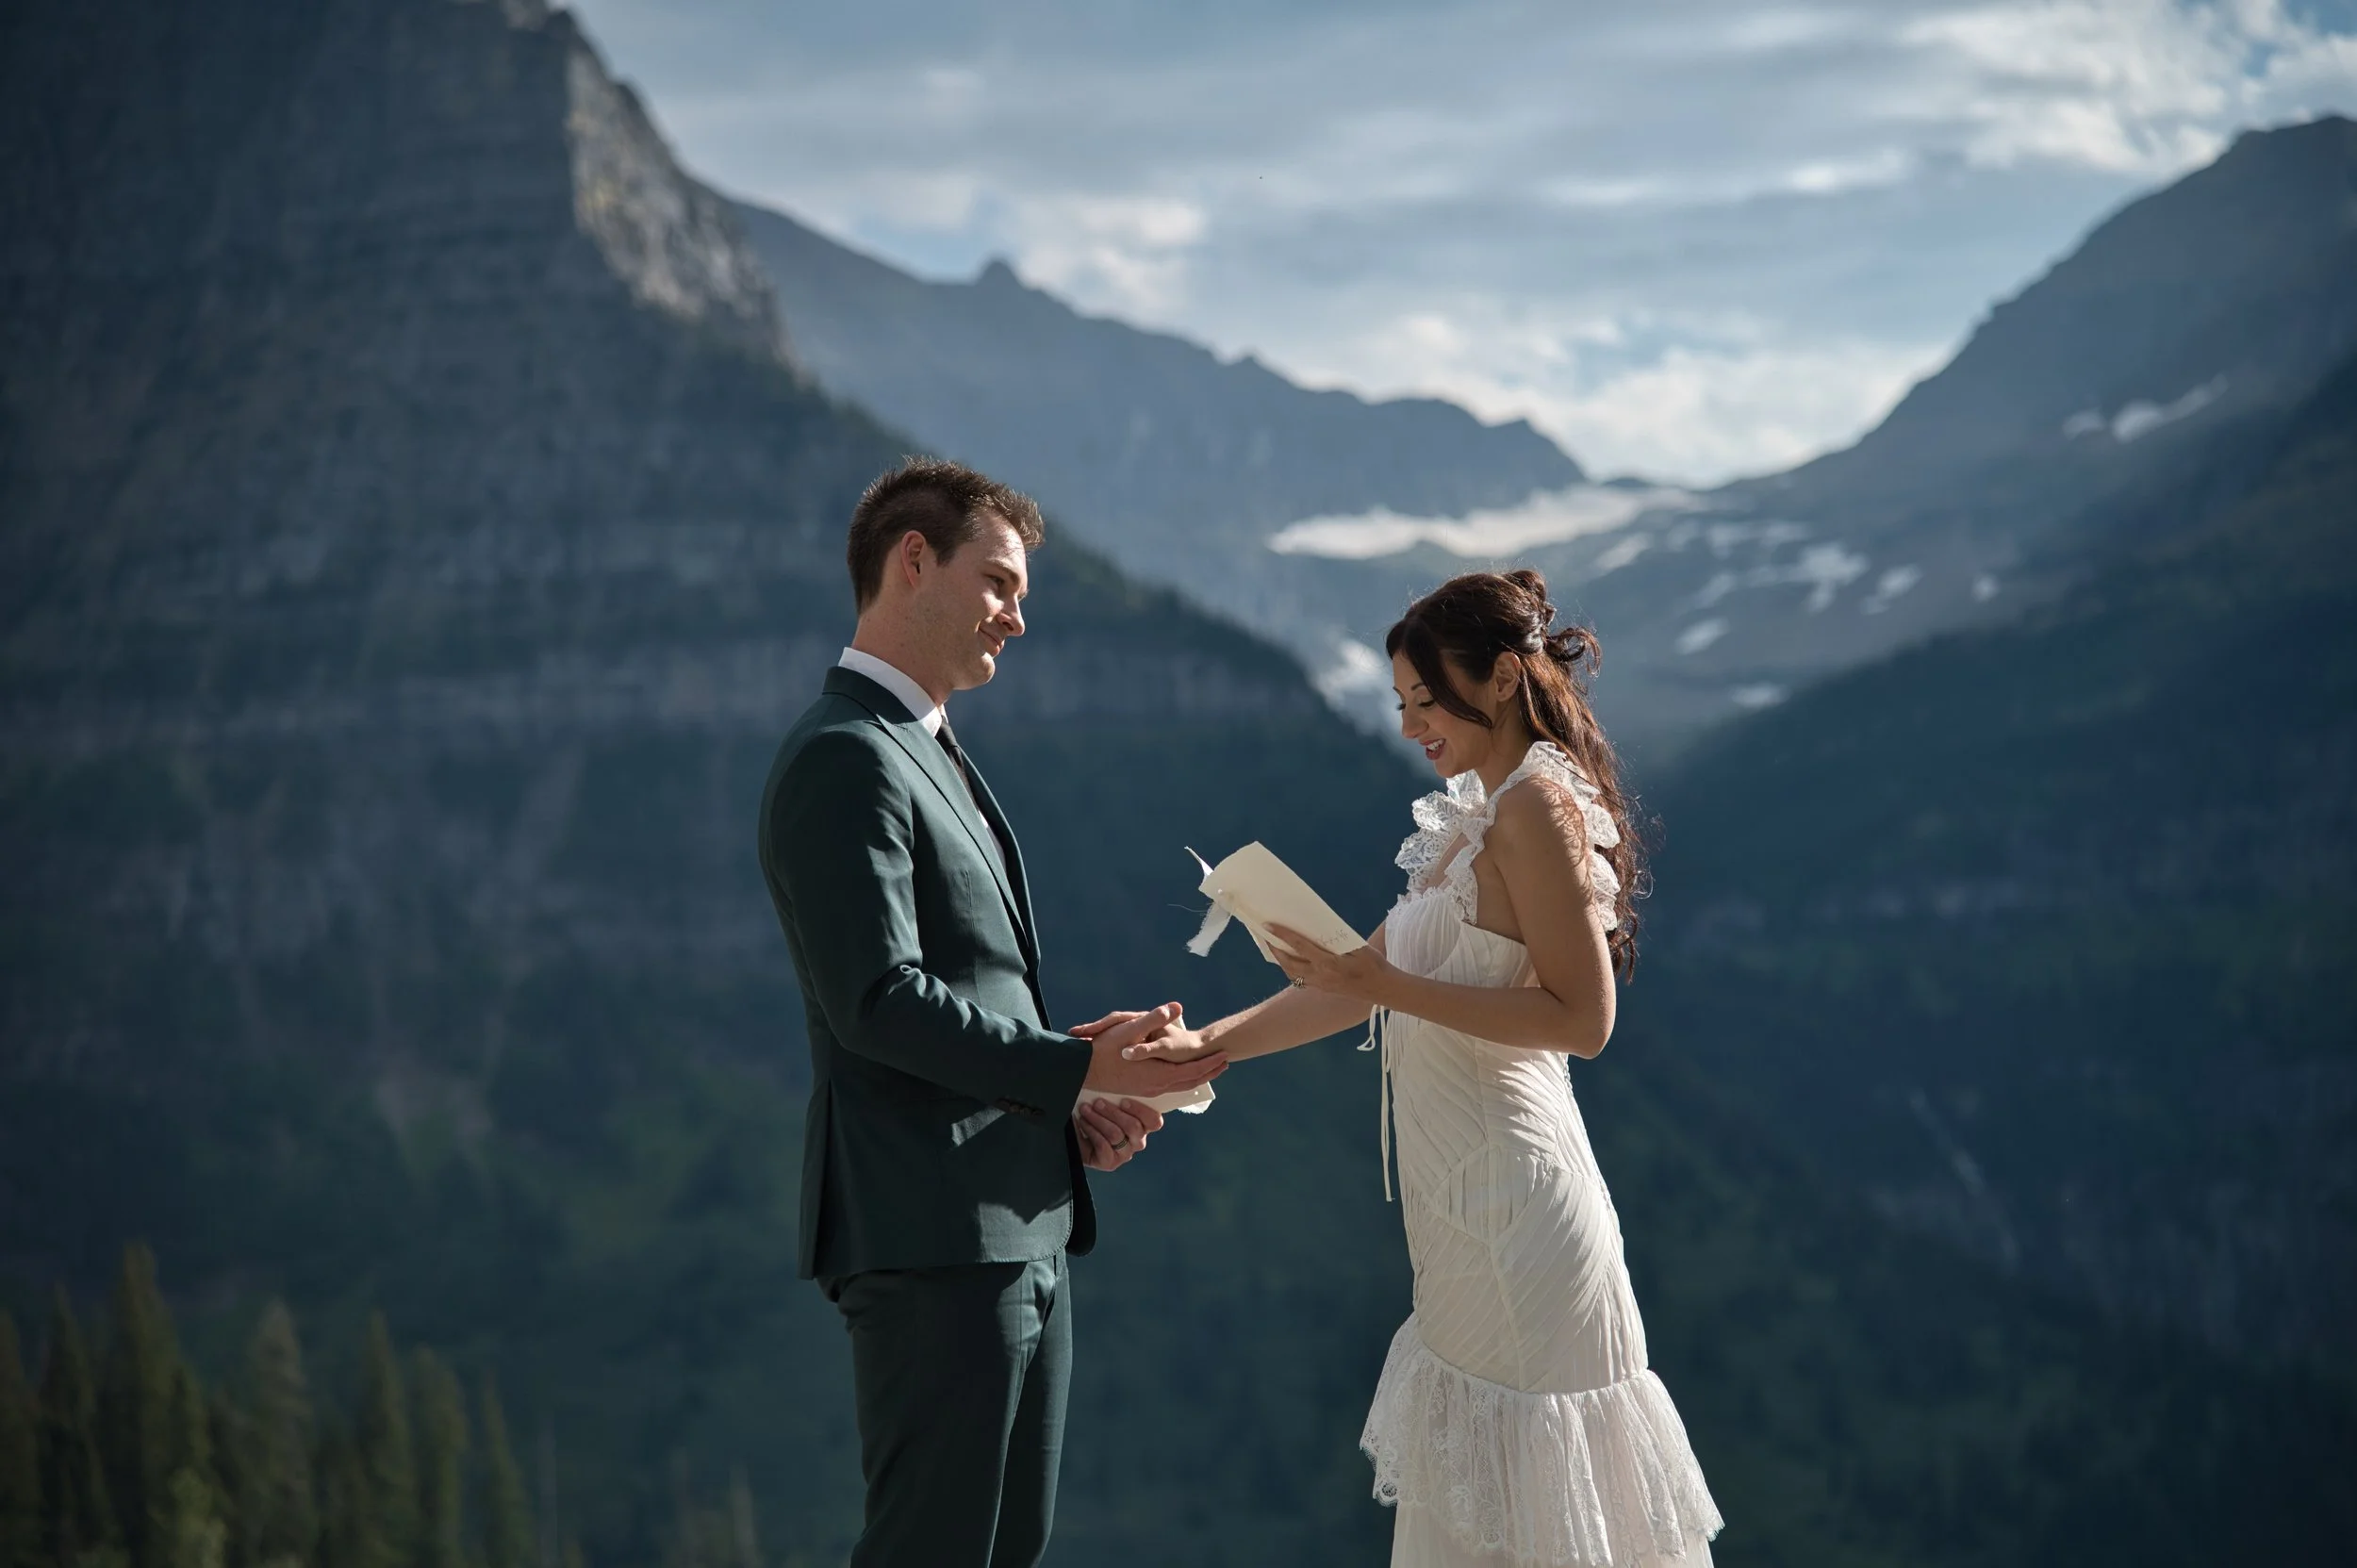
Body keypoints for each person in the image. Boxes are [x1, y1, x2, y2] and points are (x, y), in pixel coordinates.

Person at [1116, 569, 1722, 1566]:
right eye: (1399, 704)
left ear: (1493, 680)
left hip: (1520, 1209)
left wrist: (1378, 979)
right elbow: (1358, 982)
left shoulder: (1534, 807)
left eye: (1425, 699)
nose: (1410, 727)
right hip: (1462, 1214)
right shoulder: (1474, 816)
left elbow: (1583, 1018)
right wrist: (1207, 1045)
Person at [755, 457, 1227, 1568]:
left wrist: (1065, 1082)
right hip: (933, 1235)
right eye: (999, 583)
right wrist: (1083, 1078)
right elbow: (877, 1001)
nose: (1017, 619)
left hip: (1016, 1225)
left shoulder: (923, 749)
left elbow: (959, 996)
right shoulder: (843, 756)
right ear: (912, 560)